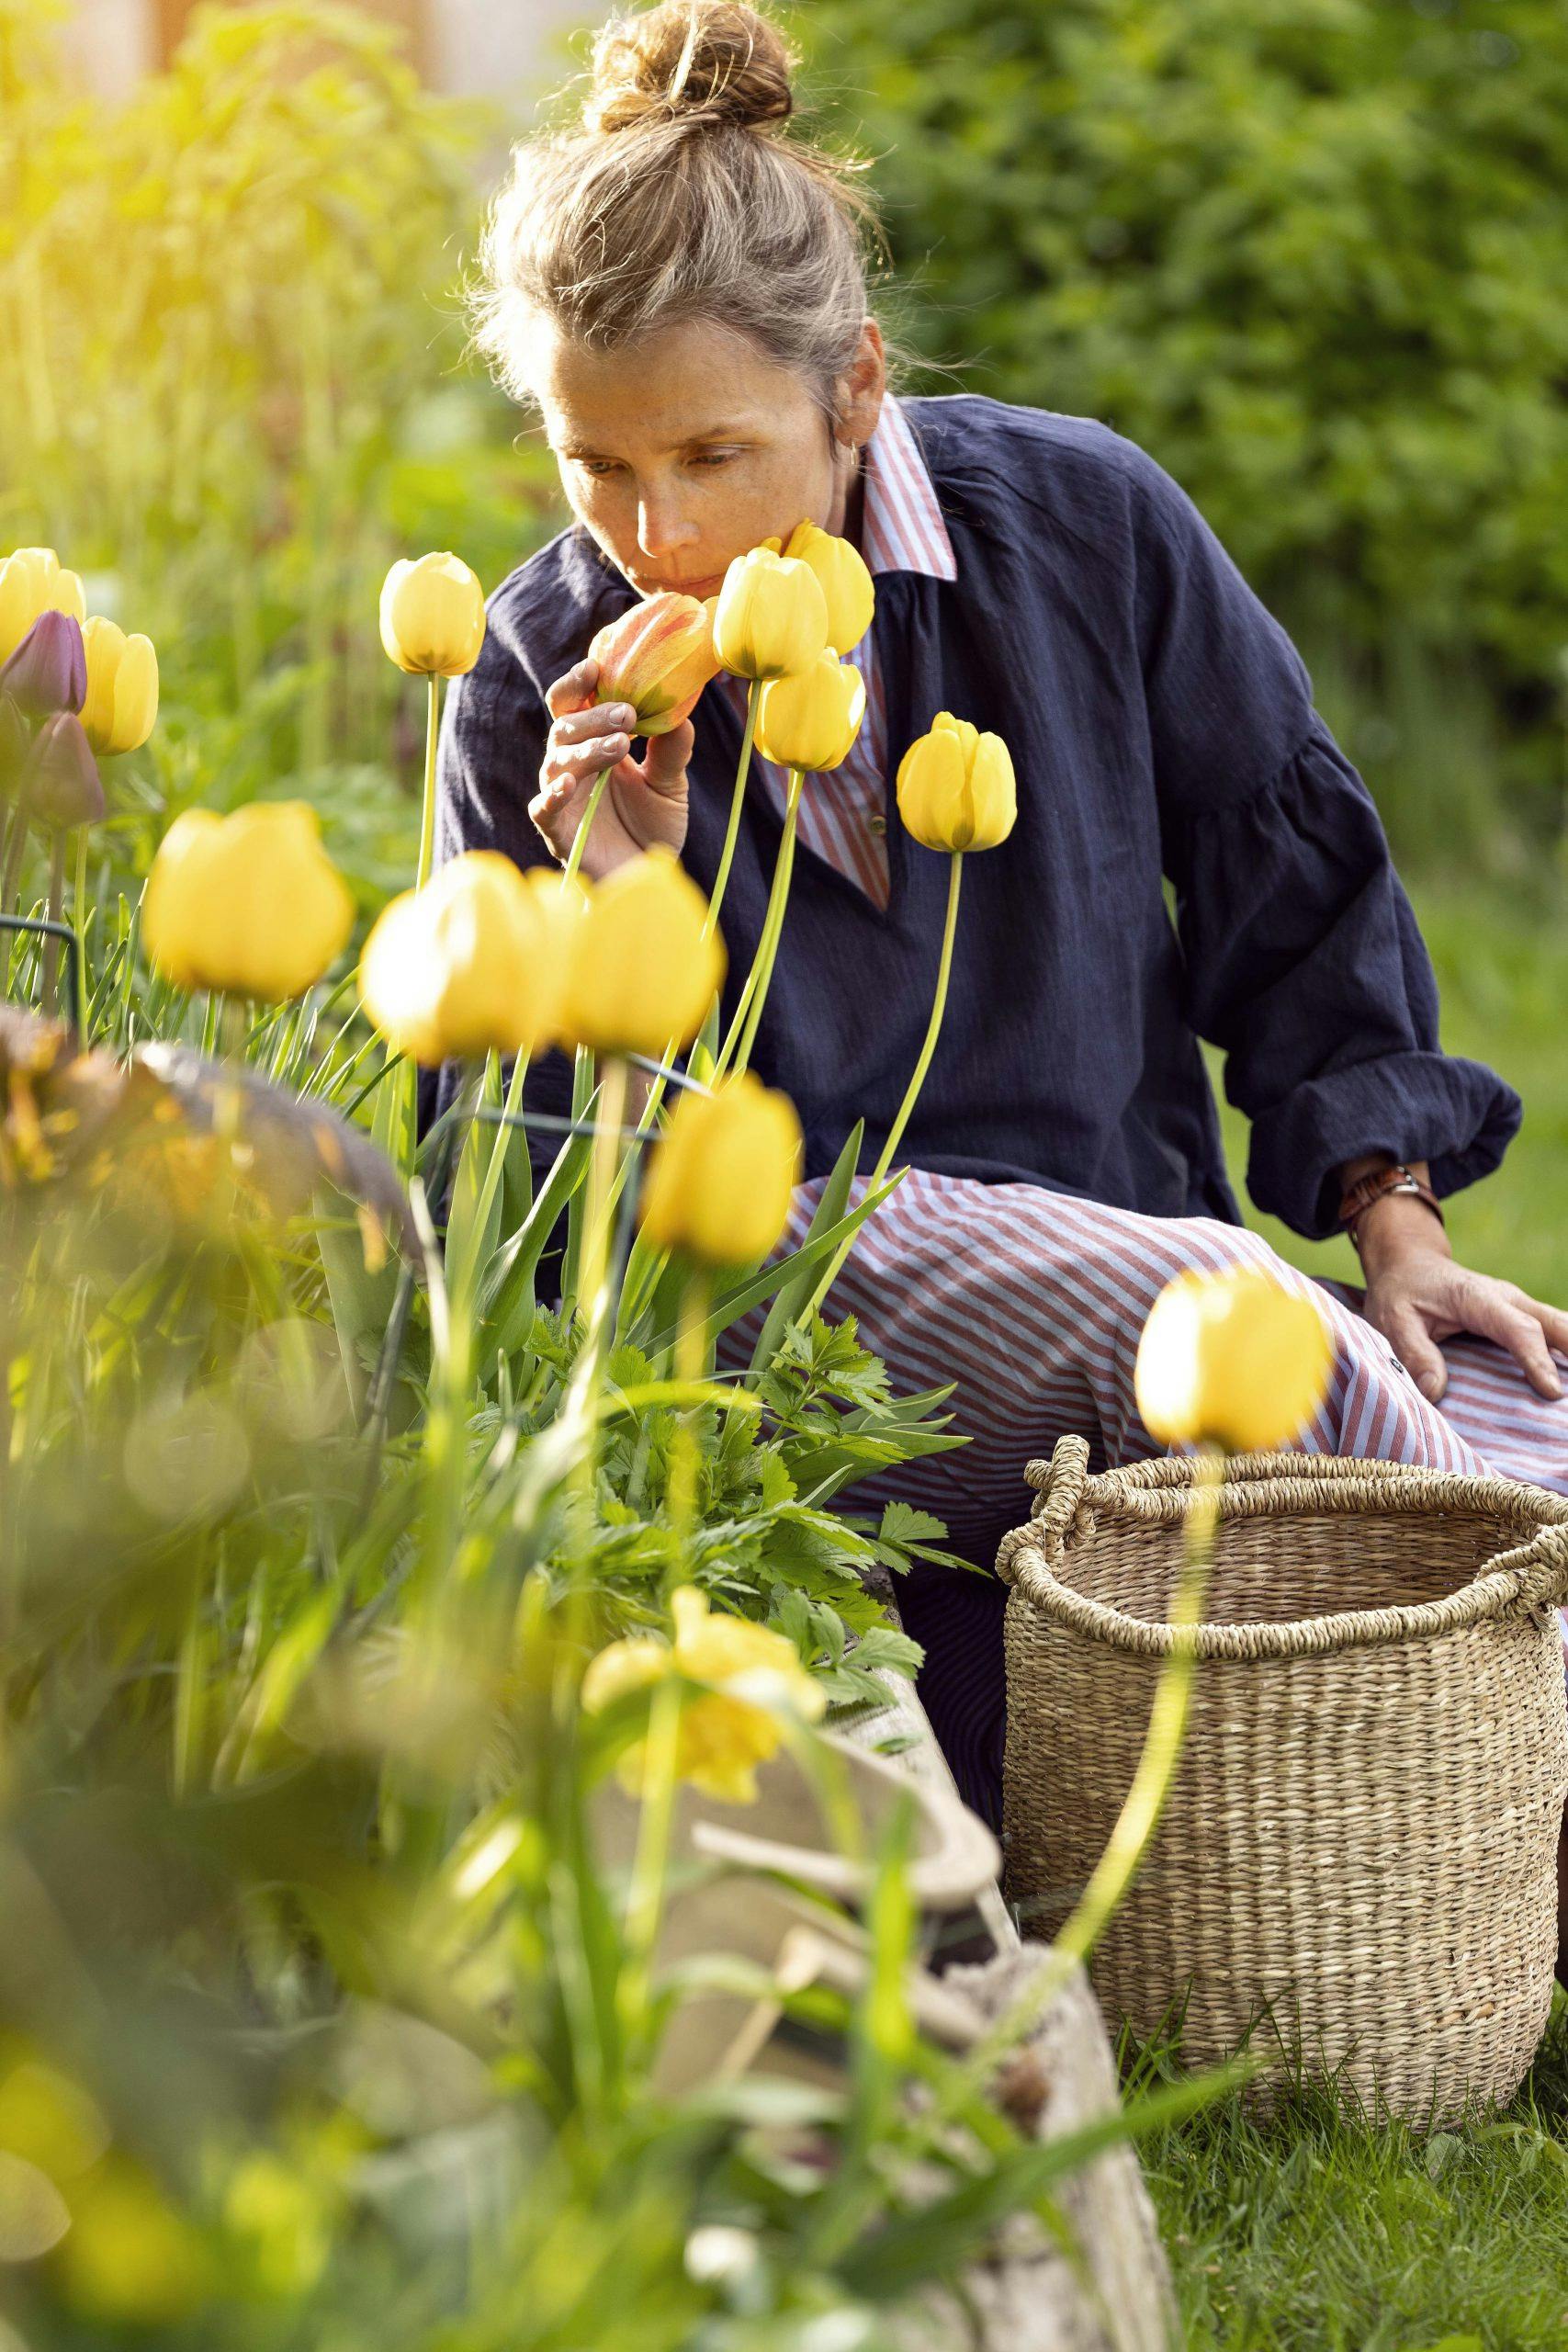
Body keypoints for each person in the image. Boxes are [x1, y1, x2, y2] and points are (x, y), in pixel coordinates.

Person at [431, 0, 1568, 1824]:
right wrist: (618, 895)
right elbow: (525, 1200)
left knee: (1520, 1420)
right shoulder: (532, 676)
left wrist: (1394, 1225)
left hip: (1119, 1291)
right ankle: (1518, 1785)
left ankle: (1468, 1781)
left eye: (712, 455)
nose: (653, 532)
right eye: (598, 466)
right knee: (1217, 1307)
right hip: (782, 1323)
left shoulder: (1079, 525)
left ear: (854, 387)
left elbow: (1290, 869)